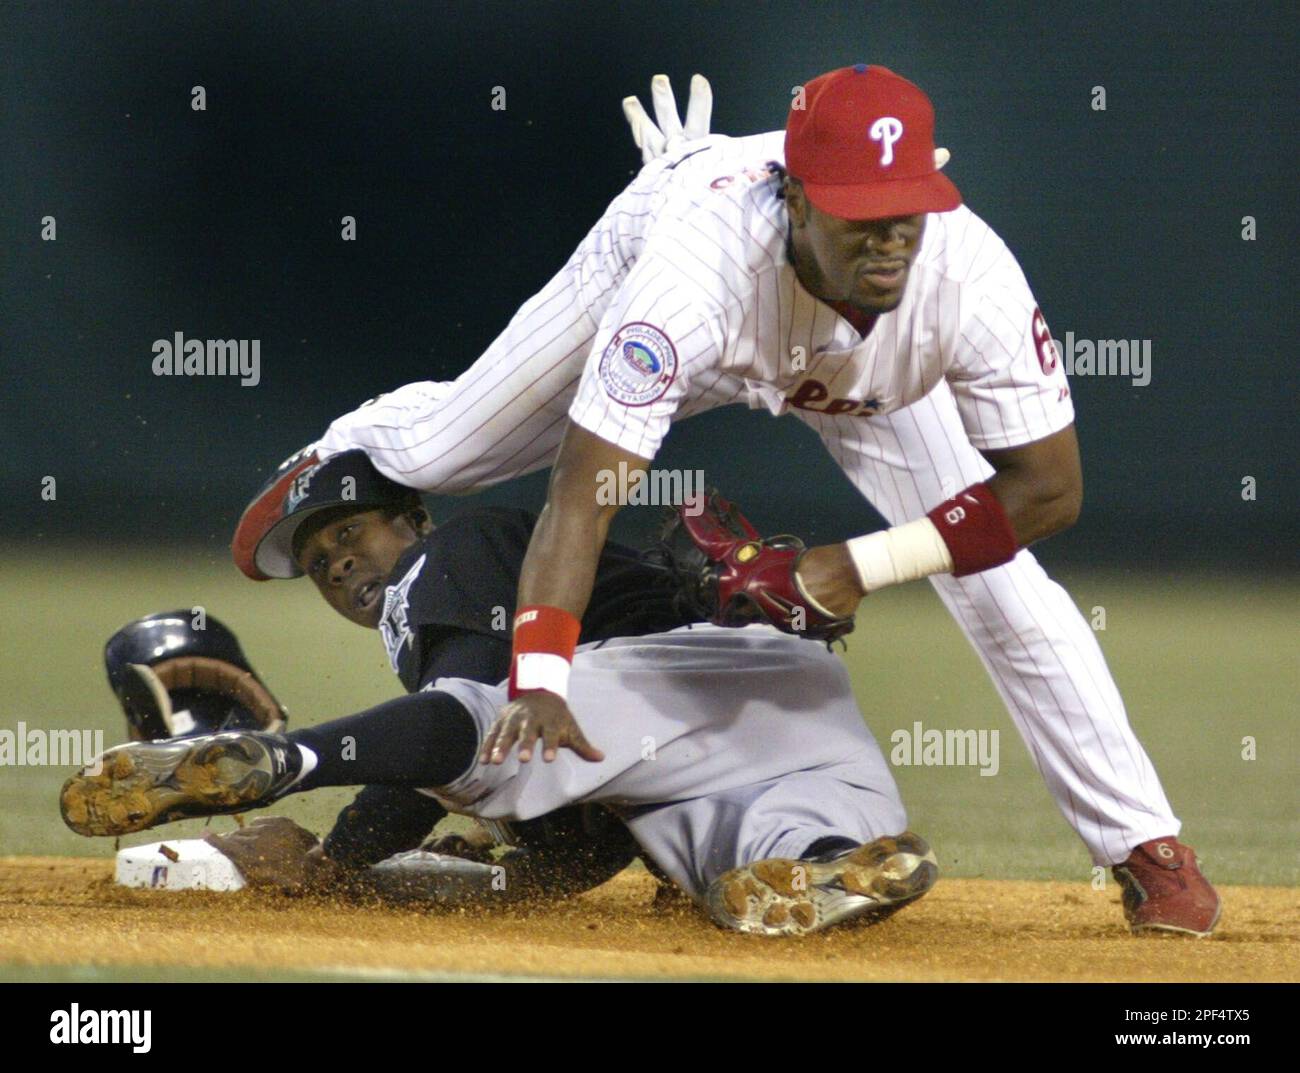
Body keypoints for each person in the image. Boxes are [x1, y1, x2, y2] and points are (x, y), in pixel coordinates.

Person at [230, 70, 1219, 937]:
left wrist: (857, 563)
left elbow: (1048, 490)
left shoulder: (968, 277)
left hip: (871, 385)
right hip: (683, 268)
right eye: (855, 207)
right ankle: (350, 439)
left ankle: (1143, 846)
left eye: (906, 204)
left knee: (1003, 589)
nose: (888, 235)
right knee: (457, 446)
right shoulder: (687, 279)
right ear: (791, 195)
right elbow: (585, 492)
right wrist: (538, 667)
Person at [62, 450, 938, 937]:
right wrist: (520, 872)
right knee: (750, 860)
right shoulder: (460, 589)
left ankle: (291, 758)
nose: (338, 561)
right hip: (766, 722)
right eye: (322, 564)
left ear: (412, 522)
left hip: (676, 672)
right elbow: (583, 843)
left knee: (495, 725)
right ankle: (827, 859)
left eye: (350, 531)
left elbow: (480, 719)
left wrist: (341, 859)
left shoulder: (448, 556)